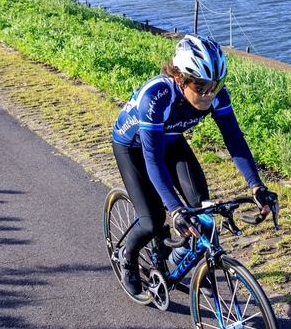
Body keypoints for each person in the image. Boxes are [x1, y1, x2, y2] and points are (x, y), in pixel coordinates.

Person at [111, 34, 279, 295]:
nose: (209, 94)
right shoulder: (156, 98)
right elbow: (153, 159)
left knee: (204, 211)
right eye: (201, 86)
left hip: (171, 140)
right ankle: (127, 256)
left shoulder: (216, 95)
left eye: (216, 84)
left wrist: (257, 186)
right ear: (180, 78)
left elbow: (234, 139)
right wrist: (175, 210)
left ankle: (204, 268)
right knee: (153, 220)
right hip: (132, 148)